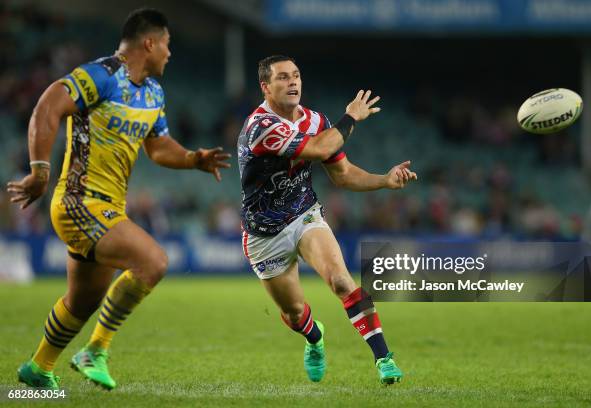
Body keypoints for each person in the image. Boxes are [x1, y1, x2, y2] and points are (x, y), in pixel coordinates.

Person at [7, 8, 230, 390]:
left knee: (82, 302)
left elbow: (158, 148)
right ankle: (95, 350)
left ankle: (39, 367)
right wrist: (40, 170)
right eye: (167, 45)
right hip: (79, 201)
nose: (170, 54)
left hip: (107, 207)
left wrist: (194, 158)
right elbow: (48, 106)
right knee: (153, 261)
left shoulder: (153, 92)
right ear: (150, 43)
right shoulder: (102, 75)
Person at [237, 55, 417, 385]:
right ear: (265, 87)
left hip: (304, 216)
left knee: (341, 281)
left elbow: (343, 175)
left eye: (296, 75)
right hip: (263, 233)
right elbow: (320, 149)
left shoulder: (316, 121)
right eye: (282, 78)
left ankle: (384, 359)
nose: (292, 82)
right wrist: (350, 117)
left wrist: (384, 180)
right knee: (294, 314)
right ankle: (314, 338)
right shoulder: (261, 128)